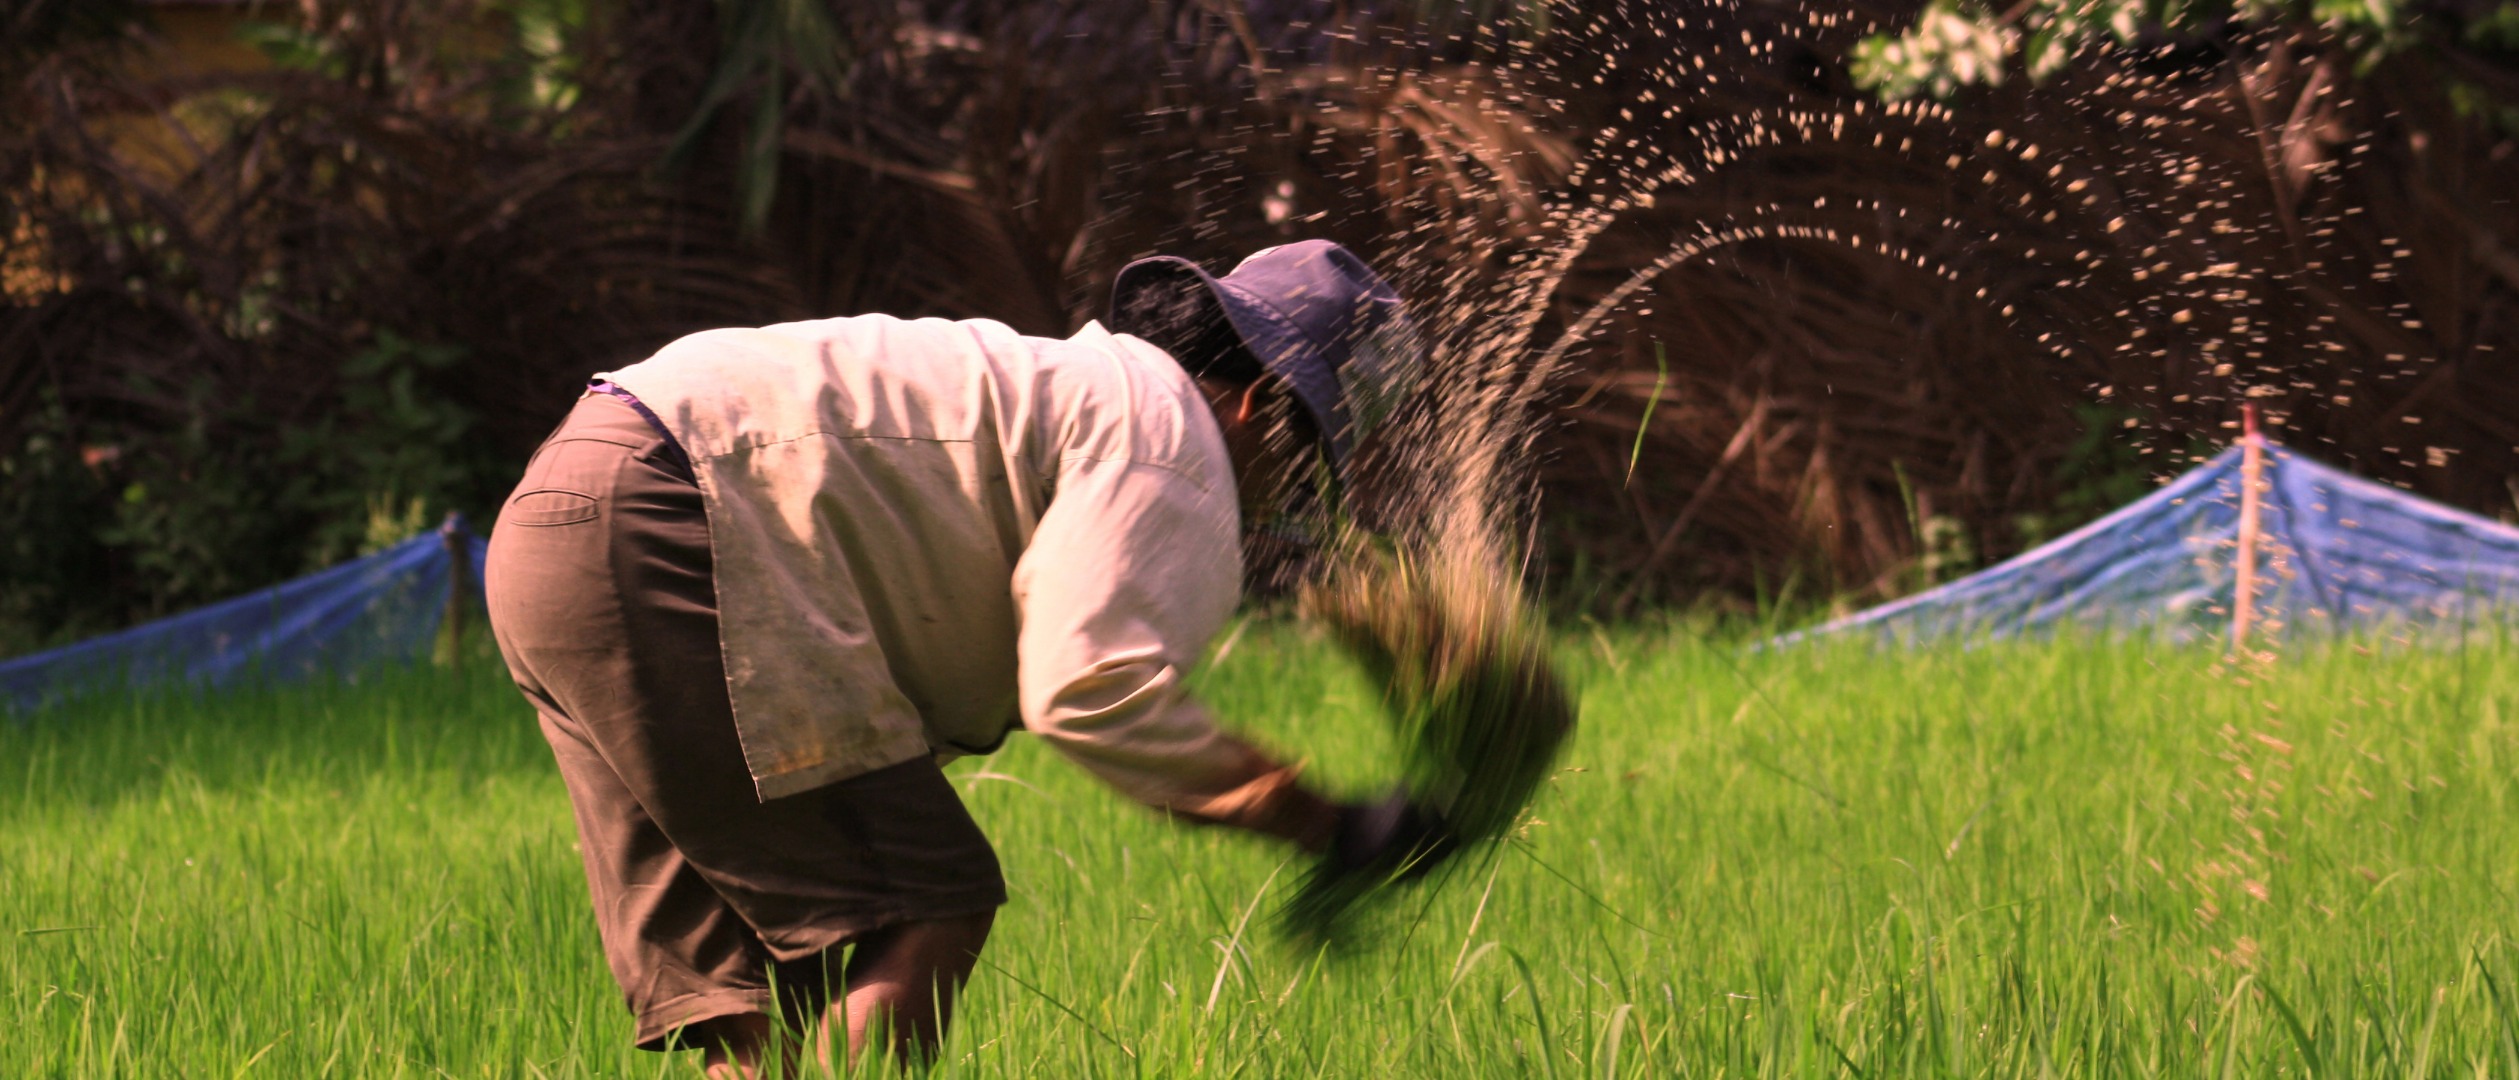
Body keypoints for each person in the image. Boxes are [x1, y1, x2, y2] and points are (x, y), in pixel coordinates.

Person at [483, 240, 1448, 1076]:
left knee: (755, 987)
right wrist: (1324, 823)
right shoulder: (1171, 439)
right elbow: (1092, 690)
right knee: (927, 902)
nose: (1287, 490)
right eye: (1308, 456)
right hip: (676, 514)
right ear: (1263, 407)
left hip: (558, 518)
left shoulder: (1082, 390)